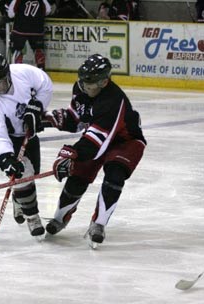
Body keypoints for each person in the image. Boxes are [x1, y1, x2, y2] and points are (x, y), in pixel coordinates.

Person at [45, 54, 146, 248]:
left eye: (90, 84)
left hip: (126, 142)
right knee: (77, 178)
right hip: (98, 137)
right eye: (83, 82)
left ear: (104, 82)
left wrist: (71, 154)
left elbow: (96, 142)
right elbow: (75, 119)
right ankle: (60, 218)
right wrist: (45, 119)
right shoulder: (82, 87)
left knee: (114, 176)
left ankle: (99, 224)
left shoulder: (113, 100)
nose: (85, 87)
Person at [0, 54, 53, 238]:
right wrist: (6, 158)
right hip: (2, 136)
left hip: (26, 131)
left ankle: (18, 197)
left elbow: (45, 85)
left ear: (8, 75)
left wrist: (37, 107)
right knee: (22, 172)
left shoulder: (23, 73)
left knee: (33, 171)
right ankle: (32, 217)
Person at [6, 0, 51, 70]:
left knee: (17, 50)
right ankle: (41, 70)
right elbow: (48, 10)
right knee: (38, 51)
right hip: (37, 30)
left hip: (20, 29)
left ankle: (18, 71)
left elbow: (10, 14)